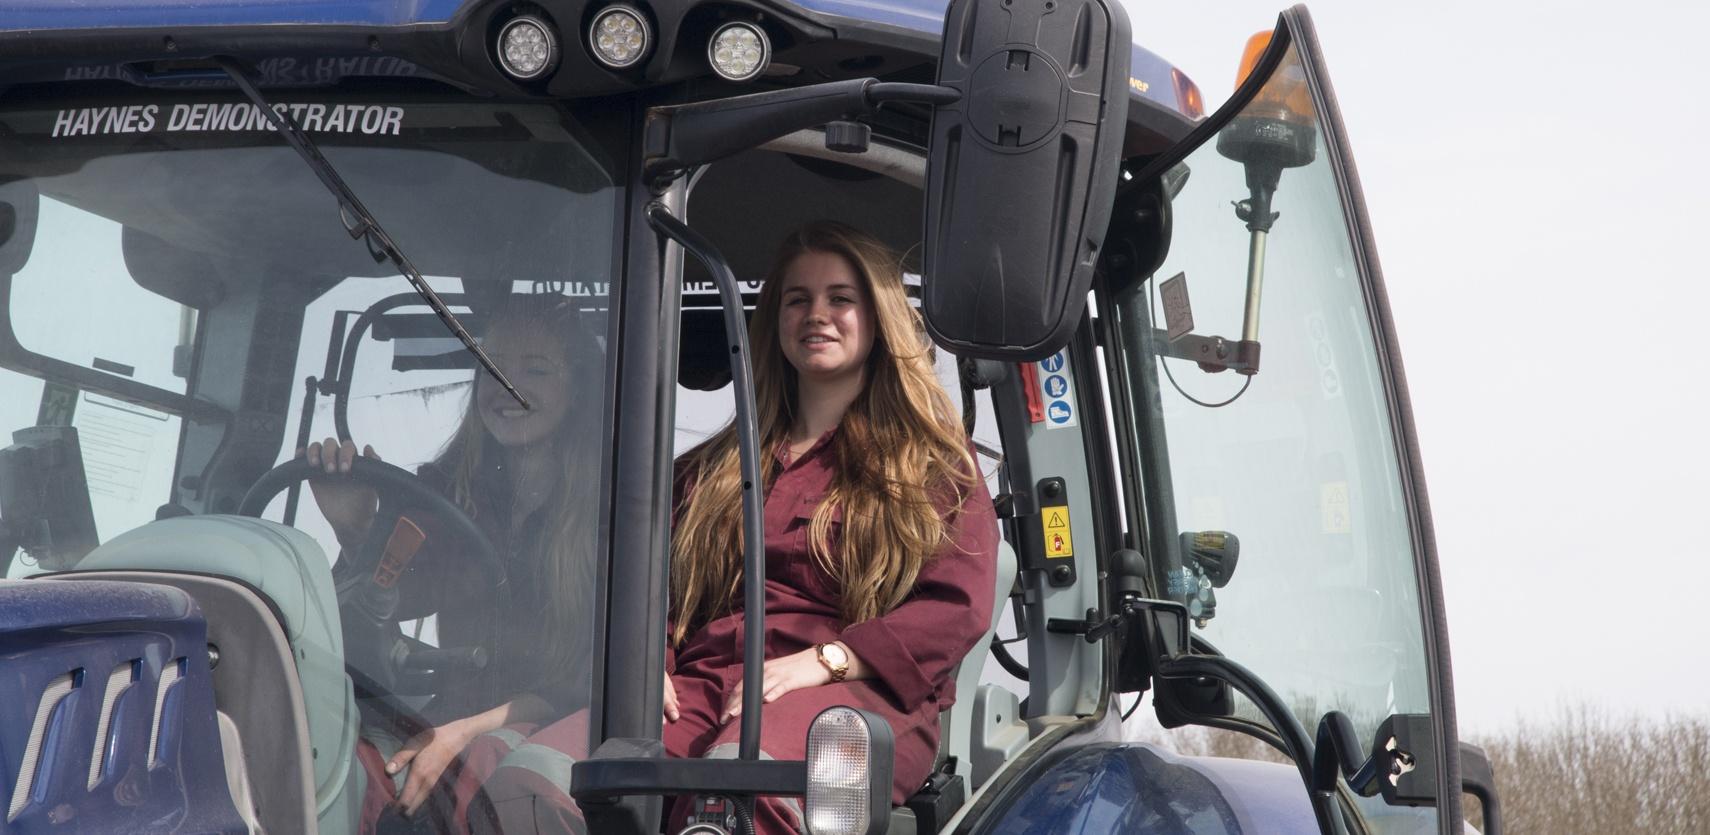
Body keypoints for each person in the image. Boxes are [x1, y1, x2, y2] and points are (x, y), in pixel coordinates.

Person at [664, 221, 998, 833]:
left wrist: (826, 661)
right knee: (539, 775)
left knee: (740, 785)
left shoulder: (933, 463)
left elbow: (956, 607)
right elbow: (649, 585)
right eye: (798, 299)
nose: (818, 314)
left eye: (841, 298)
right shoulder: (709, 470)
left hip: (853, 702)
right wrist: (648, 660)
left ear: (878, 318)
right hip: (702, 687)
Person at [304, 295, 600, 833]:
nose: (509, 387)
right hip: (459, 698)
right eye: (492, 367)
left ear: (577, 391)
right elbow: (402, 594)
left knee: (472, 783)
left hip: (561, 712)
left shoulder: (611, 508)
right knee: (332, 762)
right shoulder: (448, 489)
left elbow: (592, 674)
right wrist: (355, 529)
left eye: (536, 369)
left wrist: (464, 731)